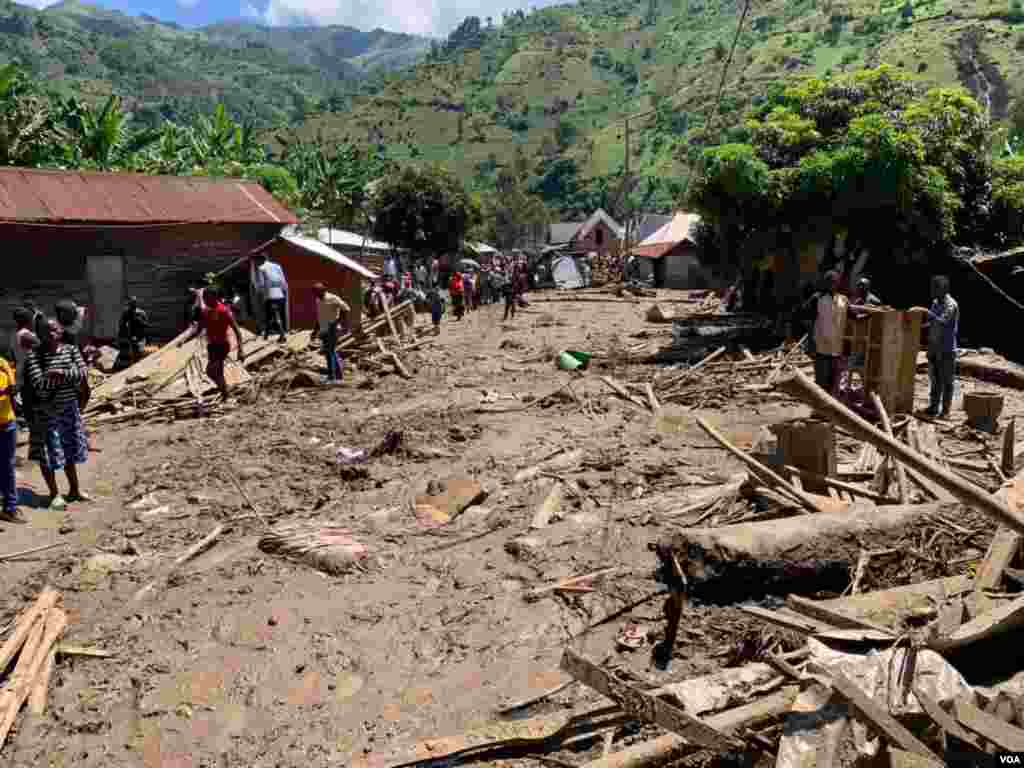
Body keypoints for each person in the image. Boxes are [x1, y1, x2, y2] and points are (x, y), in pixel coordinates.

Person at [24, 319, 90, 509]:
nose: (51, 333)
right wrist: (68, 377)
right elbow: (39, 384)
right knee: (47, 454)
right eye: (46, 330)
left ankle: (74, 491)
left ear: (61, 331)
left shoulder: (71, 349)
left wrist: (60, 372)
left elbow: (83, 373)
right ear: (40, 334)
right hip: (46, 412)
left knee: (70, 450)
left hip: (69, 409)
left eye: (54, 329)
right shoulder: (34, 355)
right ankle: (55, 495)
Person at [178, 287, 245, 400]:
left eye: (206, 297)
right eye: (203, 297)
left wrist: (241, 350)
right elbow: (199, 329)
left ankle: (226, 393)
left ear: (214, 297)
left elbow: (237, 331)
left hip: (222, 345)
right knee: (218, 372)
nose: (204, 300)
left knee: (211, 371)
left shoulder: (224, 311)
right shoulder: (206, 312)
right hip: (212, 346)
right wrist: (184, 340)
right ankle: (226, 395)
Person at [912, 275, 959, 418]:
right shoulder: (935, 302)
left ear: (944, 289)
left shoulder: (951, 305)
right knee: (935, 380)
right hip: (934, 348)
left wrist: (925, 312)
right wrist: (918, 327)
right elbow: (932, 322)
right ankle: (933, 407)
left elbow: (942, 321)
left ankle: (945, 411)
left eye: (935, 288)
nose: (932, 291)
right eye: (932, 287)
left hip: (946, 349)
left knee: (947, 381)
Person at [813, 270, 848, 396]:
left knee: (834, 380)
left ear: (838, 283)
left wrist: (869, 313)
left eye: (834, 282)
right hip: (821, 346)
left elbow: (853, 316)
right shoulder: (817, 298)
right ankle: (819, 408)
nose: (832, 284)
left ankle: (830, 409)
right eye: (829, 281)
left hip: (837, 347)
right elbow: (804, 317)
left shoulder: (843, 299)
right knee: (822, 380)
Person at [0, 354, 21, 523]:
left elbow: (12, 389)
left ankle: (10, 508)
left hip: (7, 423)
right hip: (7, 423)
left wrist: (11, 387)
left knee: (8, 467)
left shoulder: (2, 363)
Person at [313, 283, 349, 384]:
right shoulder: (318, 300)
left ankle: (332, 377)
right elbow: (320, 316)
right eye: (315, 293)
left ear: (323, 290)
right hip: (324, 328)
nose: (316, 295)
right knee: (331, 351)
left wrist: (338, 322)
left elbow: (345, 309)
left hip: (332, 328)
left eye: (318, 292)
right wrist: (315, 330)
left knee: (329, 352)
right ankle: (337, 375)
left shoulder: (332, 298)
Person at [253, 252, 288, 342]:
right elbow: (283, 281)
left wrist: (259, 292)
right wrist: (284, 292)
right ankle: (267, 335)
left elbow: (261, 284)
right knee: (274, 315)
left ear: (260, 260)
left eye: (257, 261)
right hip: (280, 294)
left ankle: (282, 335)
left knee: (273, 316)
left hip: (269, 295)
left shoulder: (261, 268)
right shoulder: (277, 266)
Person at [116, 297, 149, 369]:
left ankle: (138, 367)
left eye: (133, 303)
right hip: (130, 336)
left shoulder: (141, 313)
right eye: (130, 304)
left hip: (140, 336)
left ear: (136, 304)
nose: (132, 305)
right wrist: (124, 335)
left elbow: (146, 324)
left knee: (139, 352)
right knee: (131, 354)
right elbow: (122, 325)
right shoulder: (126, 313)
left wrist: (139, 321)